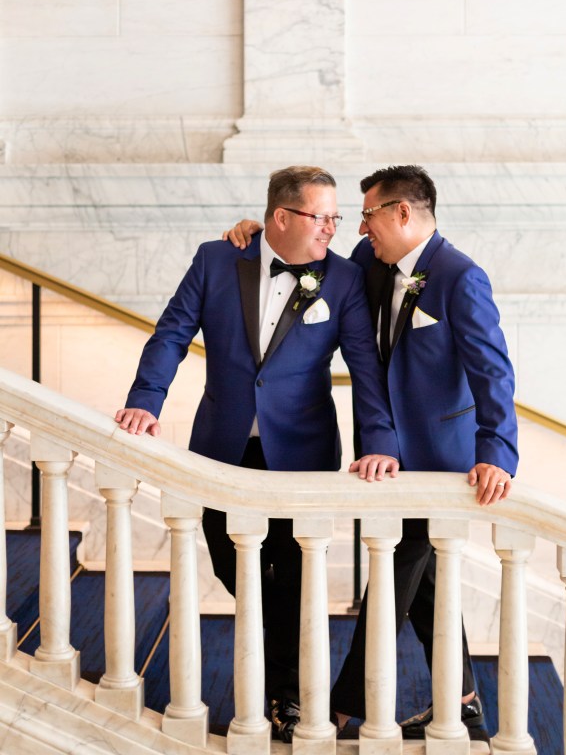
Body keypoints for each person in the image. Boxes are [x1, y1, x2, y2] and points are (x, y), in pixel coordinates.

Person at [225, 164, 519, 752]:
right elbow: (308, 255)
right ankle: (466, 707)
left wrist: (499, 454)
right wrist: (257, 234)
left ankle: (341, 707)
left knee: (394, 575)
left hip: (441, 464)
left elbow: (494, 372)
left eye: (369, 214)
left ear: (403, 213)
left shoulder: (461, 278)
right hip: (383, 459)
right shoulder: (370, 263)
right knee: (426, 581)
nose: (360, 227)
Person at [115, 165, 400, 743]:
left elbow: (365, 371)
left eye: (336, 218)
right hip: (220, 449)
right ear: (280, 217)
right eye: (321, 217)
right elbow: (171, 333)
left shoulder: (342, 279)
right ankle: (283, 674)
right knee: (230, 560)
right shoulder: (217, 259)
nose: (331, 228)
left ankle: (288, 698)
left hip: (302, 453)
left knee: (294, 574)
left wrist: (379, 445)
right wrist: (145, 400)